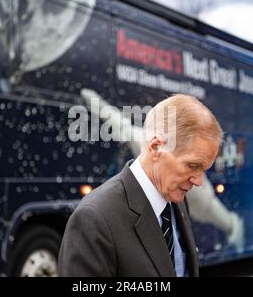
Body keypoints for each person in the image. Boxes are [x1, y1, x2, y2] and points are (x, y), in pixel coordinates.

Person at [58, 94, 222, 277]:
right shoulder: (94, 219)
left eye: (204, 169)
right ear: (155, 147)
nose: (198, 181)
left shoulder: (178, 202)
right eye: (192, 166)